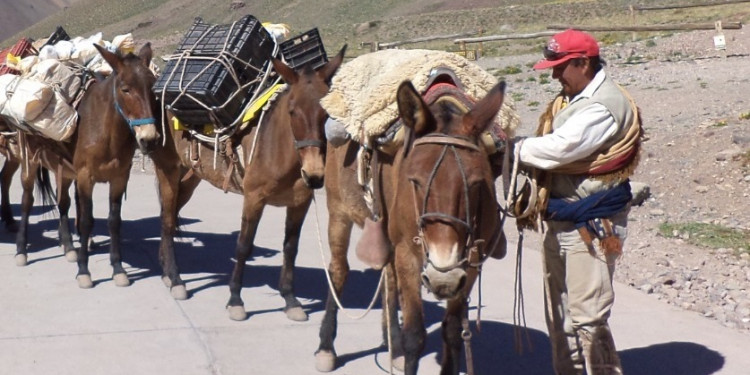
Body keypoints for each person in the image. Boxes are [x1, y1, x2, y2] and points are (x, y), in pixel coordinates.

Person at [516, 29, 643, 375]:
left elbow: (561, 149)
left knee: (588, 315)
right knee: (559, 313)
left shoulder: (602, 106)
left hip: (593, 223)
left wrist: (515, 149)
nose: (555, 75)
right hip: (560, 218)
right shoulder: (571, 100)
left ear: (583, 63)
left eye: (560, 67)